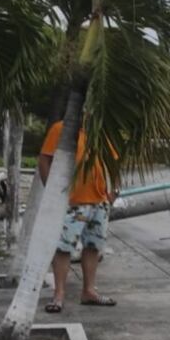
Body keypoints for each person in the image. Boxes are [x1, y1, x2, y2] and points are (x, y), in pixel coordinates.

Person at [39, 120, 119, 313]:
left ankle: (89, 291)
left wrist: (114, 190)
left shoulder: (101, 130)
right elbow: (44, 160)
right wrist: (53, 192)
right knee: (63, 248)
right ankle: (59, 295)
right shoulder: (62, 128)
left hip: (99, 201)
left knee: (93, 247)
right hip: (72, 202)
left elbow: (113, 162)